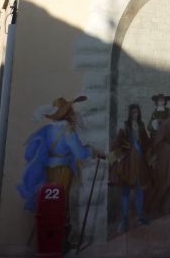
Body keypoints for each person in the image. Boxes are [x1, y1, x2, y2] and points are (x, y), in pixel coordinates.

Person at [17, 96, 104, 249]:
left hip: (47, 171)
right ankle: (59, 242)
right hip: (63, 171)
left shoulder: (46, 130)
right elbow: (80, 153)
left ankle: (46, 240)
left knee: (47, 205)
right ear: (67, 113)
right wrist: (94, 151)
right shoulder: (67, 131)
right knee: (61, 205)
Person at [109, 104, 153, 233]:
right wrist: (119, 156)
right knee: (126, 191)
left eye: (137, 112)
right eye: (134, 112)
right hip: (128, 163)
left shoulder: (141, 126)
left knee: (140, 190)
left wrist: (151, 153)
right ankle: (124, 220)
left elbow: (146, 142)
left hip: (139, 163)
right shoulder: (125, 127)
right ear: (130, 113)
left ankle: (139, 217)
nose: (136, 114)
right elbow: (115, 144)